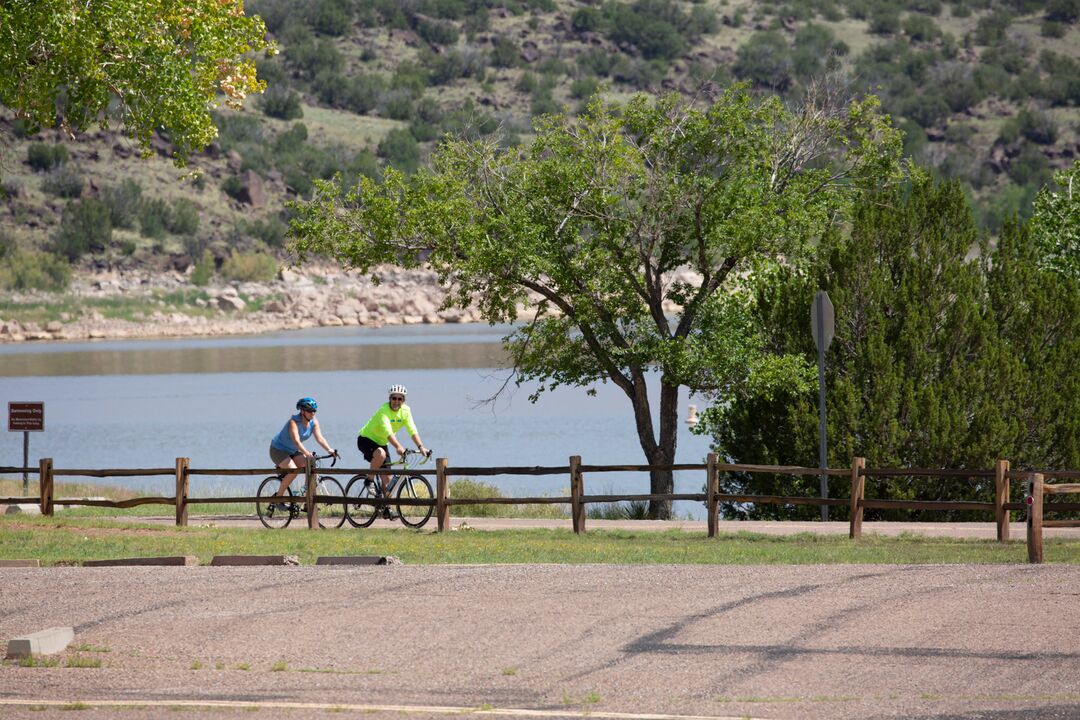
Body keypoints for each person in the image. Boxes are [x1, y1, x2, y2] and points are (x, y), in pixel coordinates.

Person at [357, 384, 429, 517]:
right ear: (389, 398)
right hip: (366, 439)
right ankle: (369, 480)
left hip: (382, 442)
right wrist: (398, 447)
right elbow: (389, 433)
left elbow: (412, 430)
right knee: (381, 454)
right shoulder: (383, 410)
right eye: (394, 398)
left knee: (388, 480)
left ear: (403, 401)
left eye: (399, 399)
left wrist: (421, 447)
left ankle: (386, 508)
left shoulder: (406, 411)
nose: (396, 401)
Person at [269, 397, 337, 503]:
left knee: (309, 465)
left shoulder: (313, 422)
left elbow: (320, 438)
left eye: (314, 411)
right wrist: (306, 453)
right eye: (310, 411)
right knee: (293, 470)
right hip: (278, 450)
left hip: (292, 451)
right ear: (302, 411)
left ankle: (307, 501)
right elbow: (296, 441)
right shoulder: (293, 423)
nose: (312, 413)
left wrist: (329, 450)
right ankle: (278, 497)